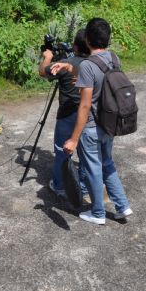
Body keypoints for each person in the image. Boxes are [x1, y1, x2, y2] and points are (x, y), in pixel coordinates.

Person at [58, 18, 132, 225]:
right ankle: (122, 206)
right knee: (107, 164)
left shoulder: (88, 65)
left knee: (93, 169)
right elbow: (101, 81)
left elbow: (84, 106)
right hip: (109, 123)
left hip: (91, 128)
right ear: (107, 38)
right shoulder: (114, 58)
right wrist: (72, 70)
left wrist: (73, 139)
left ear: (88, 39)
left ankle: (98, 213)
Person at [38, 30, 90, 200]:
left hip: (67, 114)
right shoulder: (94, 63)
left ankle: (59, 186)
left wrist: (48, 57)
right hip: (88, 114)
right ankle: (83, 186)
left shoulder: (66, 64)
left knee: (62, 151)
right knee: (85, 152)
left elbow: (43, 72)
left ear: (76, 46)